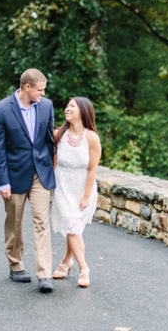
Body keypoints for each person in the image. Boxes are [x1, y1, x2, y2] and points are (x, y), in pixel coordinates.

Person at [0, 68, 56, 293]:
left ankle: (44, 273)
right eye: (40, 90)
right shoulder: (0, 110)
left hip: (40, 174)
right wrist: (3, 181)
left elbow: (49, 140)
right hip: (14, 174)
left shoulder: (46, 106)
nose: (42, 94)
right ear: (27, 87)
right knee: (14, 222)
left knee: (41, 221)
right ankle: (16, 265)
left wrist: (51, 166)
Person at [50, 97, 101, 288]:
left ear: (83, 111)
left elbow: (92, 170)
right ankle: (84, 268)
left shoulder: (91, 138)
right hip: (62, 186)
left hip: (82, 188)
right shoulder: (59, 134)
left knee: (74, 228)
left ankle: (66, 262)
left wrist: (86, 196)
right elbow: (54, 160)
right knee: (72, 226)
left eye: (72, 106)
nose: (67, 108)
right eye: (67, 105)